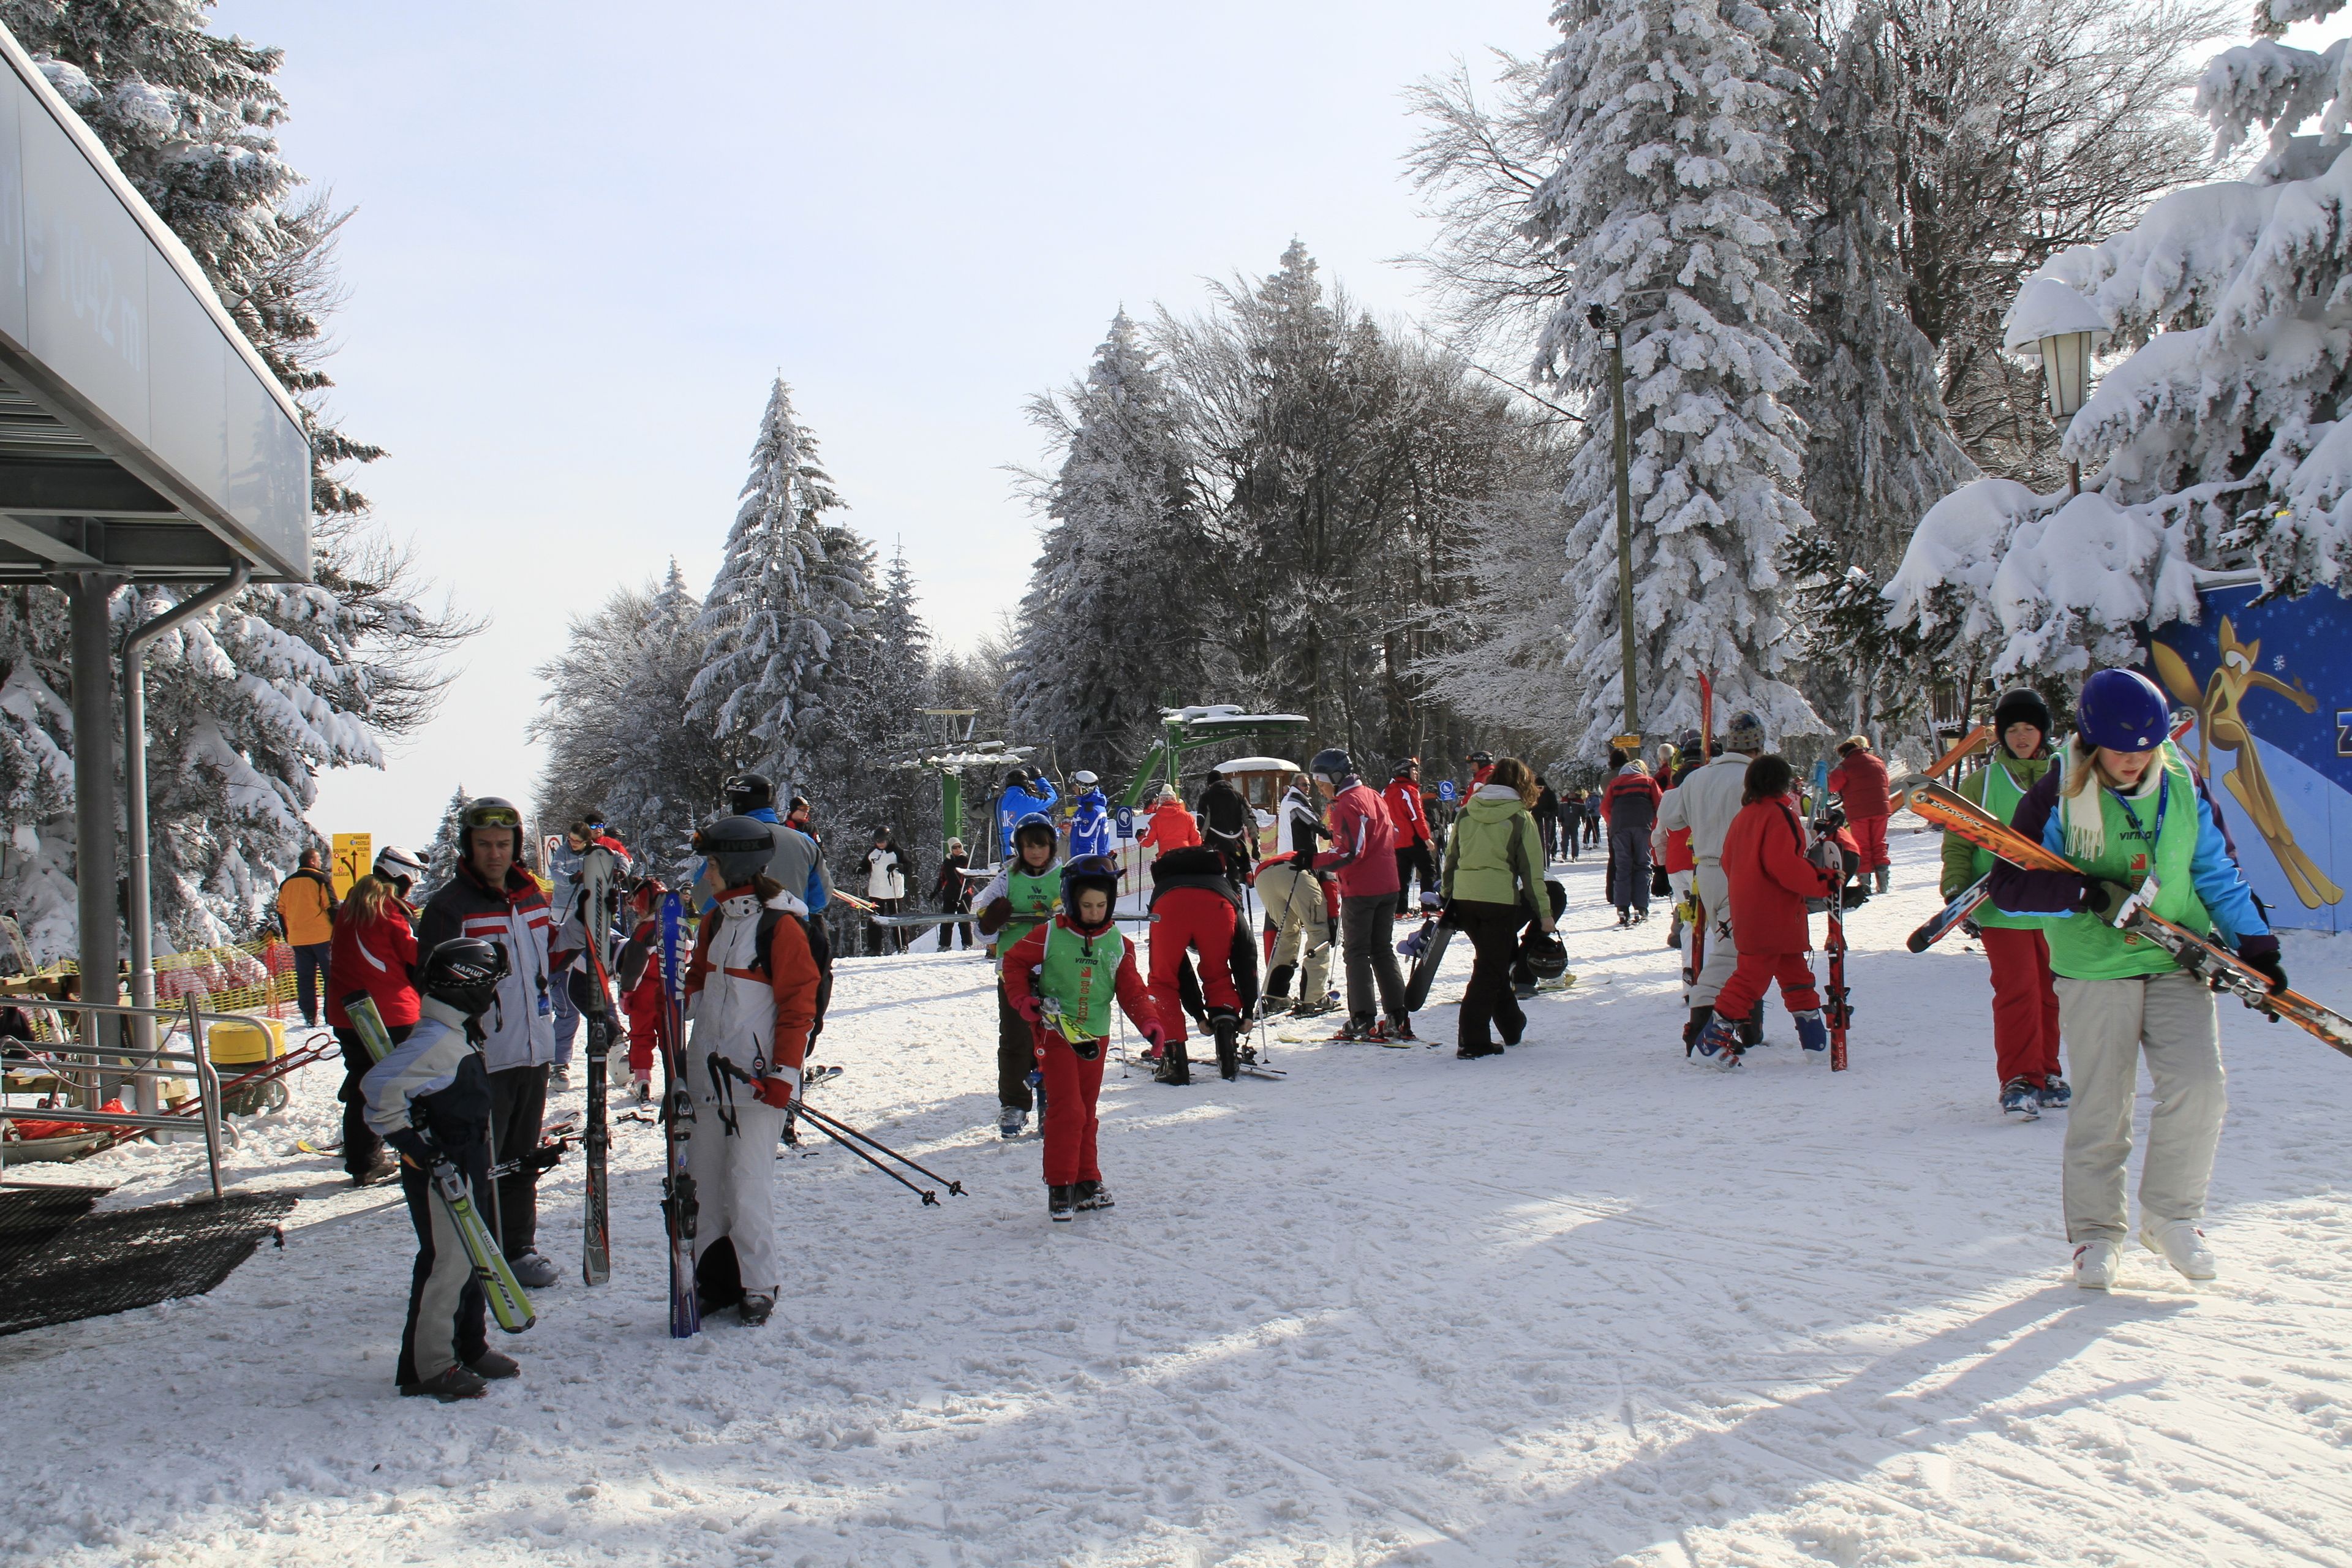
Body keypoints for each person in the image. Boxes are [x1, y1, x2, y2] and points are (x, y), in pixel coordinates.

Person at [1986, 668, 2278, 1289]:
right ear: (2091, 741)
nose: (2134, 760)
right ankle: (2096, 1233)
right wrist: (2082, 890)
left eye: (2146, 747)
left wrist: (2257, 942)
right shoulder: (2059, 790)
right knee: (2102, 1104)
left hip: (2175, 955)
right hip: (2096, 967)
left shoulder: (2180, 778)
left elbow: (2215, 867)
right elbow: (2008, 885)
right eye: (2120, 750)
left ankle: (2171, 1217)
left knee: (2201, 1087)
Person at [416, 796, 567, 1291]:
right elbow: (430, 983)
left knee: (522, 1156)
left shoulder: (531, 897)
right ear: (468, 846)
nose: (495, 854)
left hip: (532, 1048)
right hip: (481, 1058)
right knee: (482, 1161)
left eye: (504, 844)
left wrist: (583, 928)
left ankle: (518, 1246)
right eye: (485, 845)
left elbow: (548, 963)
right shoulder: (450, 907)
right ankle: (475, 1254)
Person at [361, 936, 521, 1402]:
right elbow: (377, 1088)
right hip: (442, 1168)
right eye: (491, 987)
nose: (494, 997)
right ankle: (428, 1366)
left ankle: (469, 1345)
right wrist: (414, 1145)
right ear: (467, 988)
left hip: (469, 1160)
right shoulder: (436, 1040)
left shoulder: (457, 1035)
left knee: (476, 1259)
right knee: (447, 1265)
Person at [680, 816, 821, 1326]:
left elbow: (797, 1003)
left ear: (735, 865)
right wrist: (677, 989)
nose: (707, 874)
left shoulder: (779, 925)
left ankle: (758, 1283)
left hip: (755, 1079)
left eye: (712, 864)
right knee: (703, 1180)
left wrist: (784, 1072)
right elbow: (698, 983)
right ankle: (714, 1281)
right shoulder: (717, 920)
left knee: (746, 1181)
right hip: (707, 1072)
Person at [1000, 855, 1165, 1221]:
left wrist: (1150, 1024)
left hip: (1096, 1035)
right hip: (1056, 1032)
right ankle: (1061, 1185)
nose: (1094, 912)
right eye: (1086, 905)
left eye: (1101, 905)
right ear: (1072, 901)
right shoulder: (1051, 934)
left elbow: (1133, 992)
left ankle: (1086, 1180)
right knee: (1068, 1109)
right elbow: (1012, 962)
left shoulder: (1118, 944)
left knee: (1087, 1111)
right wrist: (1023, 1000)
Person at [1939, 688, 2068, 1118]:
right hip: (2002, 905)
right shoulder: (1985, 781)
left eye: (2028, 729)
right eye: (2012, 730)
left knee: (2052, 993)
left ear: (2043, 732)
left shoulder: (2067, 777)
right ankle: (2019, 1077)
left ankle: (2047, 1072)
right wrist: (1958, 889)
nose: (2020, 737)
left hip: (2054, 905)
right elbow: (1958, 839)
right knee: (2018, 993)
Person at [1693, 755, 1838, 1063]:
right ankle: (1709, 1044)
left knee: (1796, 976)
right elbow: (1785, 866)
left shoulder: (1745, 816)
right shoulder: (1778, 815)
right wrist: (1824, 882)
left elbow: (1728, 862)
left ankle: (1816, 1045)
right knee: (1750, 980)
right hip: (1774, 915)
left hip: (1753, 912)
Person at [1658, 712, 1766, 1050]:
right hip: (1743, 872)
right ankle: (1703, 1028)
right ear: (1757, 747)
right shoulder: (1754, 777)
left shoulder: (1698, 778)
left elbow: (1669, 817)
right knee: (1735, 954)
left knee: (1735, 949)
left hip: (1706, 871)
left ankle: (1746, 1026)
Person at [1442, 758, 1558, 1059]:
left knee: (1491, 963)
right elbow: (1532, 874)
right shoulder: (1520, 817)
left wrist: (1447, 895)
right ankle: (1472, 1039)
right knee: (1488, 971)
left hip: (1465, 899)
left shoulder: (1467, 811)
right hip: (1498, 900)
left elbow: (1451, 857)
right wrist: (1545, 915)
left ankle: (1512, 1025)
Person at [326, 844, 426, 1186]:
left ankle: (363, 1160)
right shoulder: (391, 909)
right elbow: (416, 954)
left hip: (348, 1012)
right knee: (405, 1086)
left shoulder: (351, 905)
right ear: (404, 877)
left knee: (362, 1083)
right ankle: (415, 1152)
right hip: (392, 1012)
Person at [723, 774, 837, 1048]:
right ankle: (794, 1059)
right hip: (796, 935)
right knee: (800, 1000)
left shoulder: (728, 841)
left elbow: (705, 899)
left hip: (738, 940)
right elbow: (821, 897)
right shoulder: (803, 842)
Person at [1314, 748, 1414, 1042]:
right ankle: (1398, 1016)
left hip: (1362, 889)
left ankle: (1362, 1019)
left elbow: (1350, 853)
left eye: (1321, 782)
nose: (1320, 788)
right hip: (1388, 884)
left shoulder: (1347, 802)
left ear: (1335, 777)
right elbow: (1391, 833)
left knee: (1357, 951)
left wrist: (1312, 860)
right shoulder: (1372, 794)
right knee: (1381, 949)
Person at [974, 814, 1061, 1138]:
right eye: (1029, 846)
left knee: (1057, 1038)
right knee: (1015, 1041)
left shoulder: (1063, 876)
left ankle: (1053, 1099)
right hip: (1014, 970)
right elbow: (980, 931)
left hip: (1055, 966)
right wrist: (990, 921)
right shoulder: (1006, 878)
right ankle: (1014, 1103)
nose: (1036, 852)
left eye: (1042, 845)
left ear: (1051, 846)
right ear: (1019, 848)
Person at [1144, 844, 1246, 1084]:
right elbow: (1246, 953)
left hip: (1167, 906)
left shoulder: (1164, 883)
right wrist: (1249, 1009)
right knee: (1218, 971)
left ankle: (1174, 1060)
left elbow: (1180, 971)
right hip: (1218, 905)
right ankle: (1227, 1042)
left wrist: (1199, 1015)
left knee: (1163, 980)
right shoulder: (1222, 885)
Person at [1256, 772, 1335, 1017]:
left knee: (1287, 933)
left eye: (1309, 785)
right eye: (1304, 784)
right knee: (1318, 930)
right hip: (1296, 870)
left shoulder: (1289, 803)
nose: (1308, 788)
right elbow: (1331, 886)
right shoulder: (1294, 801)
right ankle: (1313, 998)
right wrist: (1333, 922)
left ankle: (1274, 996)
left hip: (1266, 874)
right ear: (1293, 786)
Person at [613, 878, 669, 1104]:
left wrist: (626, 994)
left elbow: (633, 968)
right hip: (670, 991)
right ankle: (676, 1079)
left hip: (645, 991)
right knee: (671, 1038)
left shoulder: (644, 930)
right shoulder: (681, 927)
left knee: (641, 1037)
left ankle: (643, 1082)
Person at [275, 846, 339, 1028]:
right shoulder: (320, 879)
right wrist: (339, 931)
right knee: (330, 977)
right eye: (318, 860)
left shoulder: (287, 883)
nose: (320, 863)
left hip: (298, 938)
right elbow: (331, 906)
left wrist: (288, 935)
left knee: (305, 978)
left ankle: (309, 1015)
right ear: (312, 861)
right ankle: (330, 1014)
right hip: (322, 936)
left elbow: (281, 911)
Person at [545, 824, 590, 1076]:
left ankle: (558, 1062)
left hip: (581, 924)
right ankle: (555, 1061)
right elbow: (557, 874)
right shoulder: (562, 852)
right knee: (566, 1009)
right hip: (561, 917)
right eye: (570, 839)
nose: (572, 843)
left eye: (576, 841)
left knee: (583, 1002)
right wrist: (574, 877)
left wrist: (618, 870)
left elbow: (619, 858)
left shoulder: (596, 851)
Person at [1828, 734, 1895, 893]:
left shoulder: (1845, 766)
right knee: (1879, 844)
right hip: (1881, 809)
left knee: (1862, 846)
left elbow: (1832, 786)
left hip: (1859, 812)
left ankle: (1865, 884)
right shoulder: (1878, 762)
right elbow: (1886, 783)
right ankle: (1884, 883)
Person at [1603, 759, 1663, 924]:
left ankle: (1622, 908)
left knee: (1623, 866)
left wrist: (1612, 823)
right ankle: (1641, 907)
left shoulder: (1615, 783)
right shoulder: (1649, 781)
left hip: (1620, 827)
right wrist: (1654, 825)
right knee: (1643, 865)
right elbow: (1660, 803)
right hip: (1643, 825)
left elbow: (1605, 808)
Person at [1384, 760, 1440, 914]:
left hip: (1395, 841)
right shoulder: (1409, 790)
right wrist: (1426, 838)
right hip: (1413, 838)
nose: (1416, 773)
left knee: (1402, 875)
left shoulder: (1386, 791)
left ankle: (1400, 910)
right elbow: (1417, 817)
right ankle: (1428, 907)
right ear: (1404, 772)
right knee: (1428, 871)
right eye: (1413, 770)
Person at [1195, 769, 1257, 883]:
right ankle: (1236, 897)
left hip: (1215, 842)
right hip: (1237, 842)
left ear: (1210, 784)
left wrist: (1201, 842)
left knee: (1216, 877)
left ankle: (1222, 897)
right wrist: (1255, 843)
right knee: (1235, 877)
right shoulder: (1239, 796)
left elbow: (1204, 822)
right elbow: (1249, 819)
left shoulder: (1207, 797)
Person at [996, 767, 1060, 859]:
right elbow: (1052, 796)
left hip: (1006, 855)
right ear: (1026, 784)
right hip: (1029, 852)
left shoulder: (998, 802)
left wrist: (989, 788)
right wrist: (1039, 778)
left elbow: (975, 810)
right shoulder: (1030, 802)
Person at [864, 831, 910, 956]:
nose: (880, 844)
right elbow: (866, 864)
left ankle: (902, 945)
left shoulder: (897, 850)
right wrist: (860, 869)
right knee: (875, 919)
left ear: (888, 839)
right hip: (876, 890)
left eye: (882, 842)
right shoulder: (873, 851)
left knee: (897, 918)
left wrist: (897, 866)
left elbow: (908, 867)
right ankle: (875, 947)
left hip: (893, 891)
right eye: (878, 842)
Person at [933, 837, 975, 952]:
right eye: (954, 847)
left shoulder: (966, 860)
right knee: (947, 920)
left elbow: (972, 875)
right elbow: (942, 878)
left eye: (959, 847)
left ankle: (967, 943)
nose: (957, 850)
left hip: (964, 894)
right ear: (951, 849)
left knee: (964, 920)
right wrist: (936, 891)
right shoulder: (947, 861)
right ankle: (944, 944)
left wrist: (967, 887)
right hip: (950, 893)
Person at [1139, 784, 1200, 858]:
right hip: (1185, 858)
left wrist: (1140, 837)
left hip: (1165, 859)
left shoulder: (1155, 820)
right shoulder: (1188, 817)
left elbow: (1147, 842)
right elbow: (1196, 840)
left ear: (1160, 801)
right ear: (1174, 800)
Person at [1067, 772, 1114, 862]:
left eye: (1076, 786)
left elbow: (1087, 843)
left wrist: (1080, 863)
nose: (1073, 789)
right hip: (1094, 861)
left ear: (1084, 790)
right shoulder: (1088, 807)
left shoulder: (1091, 811)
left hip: (1092, 863)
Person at [1534, 775, 1561, 862]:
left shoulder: (1550, 794)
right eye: (1536, 788)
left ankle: (1546, 862)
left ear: (1544, 786)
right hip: (1535, 819)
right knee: (1535, 841)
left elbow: (1555, 807)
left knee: (1545, 842)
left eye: (1540, 788)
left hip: (1546, 820)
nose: (1539, 790)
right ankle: (1537, 861)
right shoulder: (1533, 794)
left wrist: (1549, 814)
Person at [1561, 790, 1585, 862]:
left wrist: (1584, 817)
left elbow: (1583, 810)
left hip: (1575, 822)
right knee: (1565, 840)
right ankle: (1564, 853)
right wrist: (1560, 817)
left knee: (1575, 839)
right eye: (1570, 793)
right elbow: (1560, 809)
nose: (1571, 794)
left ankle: (1575, 855)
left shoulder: (1579, 801)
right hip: (1565, 822)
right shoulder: (1564, 800)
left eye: (1573, 793)